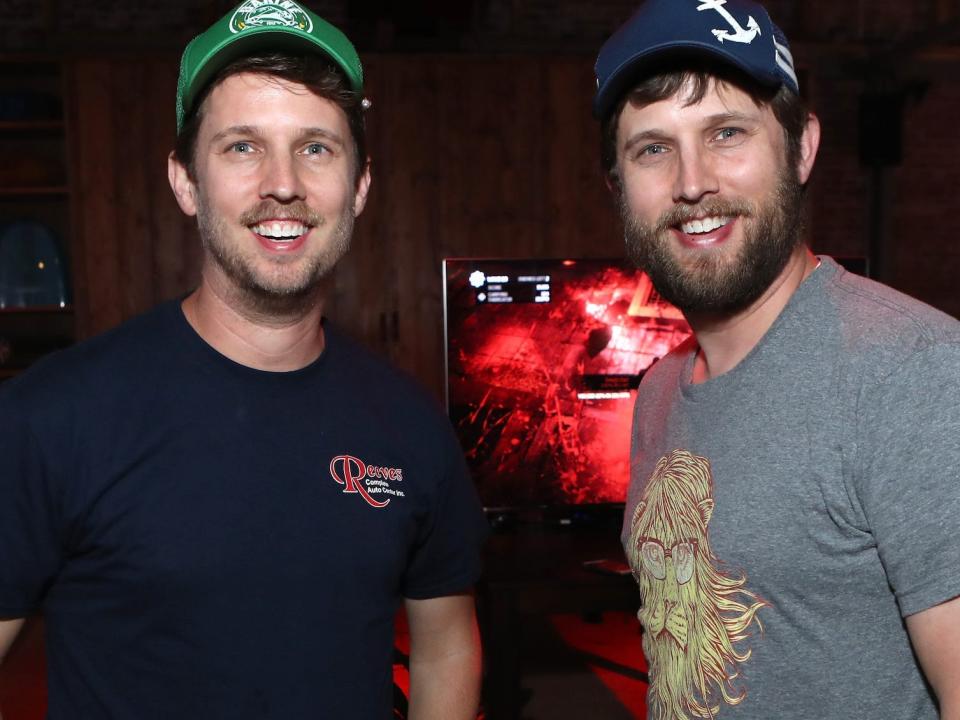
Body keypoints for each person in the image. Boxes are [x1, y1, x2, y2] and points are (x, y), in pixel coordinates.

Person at [0, 2, 487, 718]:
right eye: (241, 147)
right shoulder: (51, 418)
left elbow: (446, 644)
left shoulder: (411, 427)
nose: (282, 183)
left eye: (316, 147)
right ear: (185, 182)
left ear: (358, 186)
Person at [593, 0, 960, 718]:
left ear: (801, 148)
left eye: (727, 133)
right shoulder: (661, 390)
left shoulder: (912, 372)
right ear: (618, 186)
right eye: (652, 148)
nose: (692, 181)